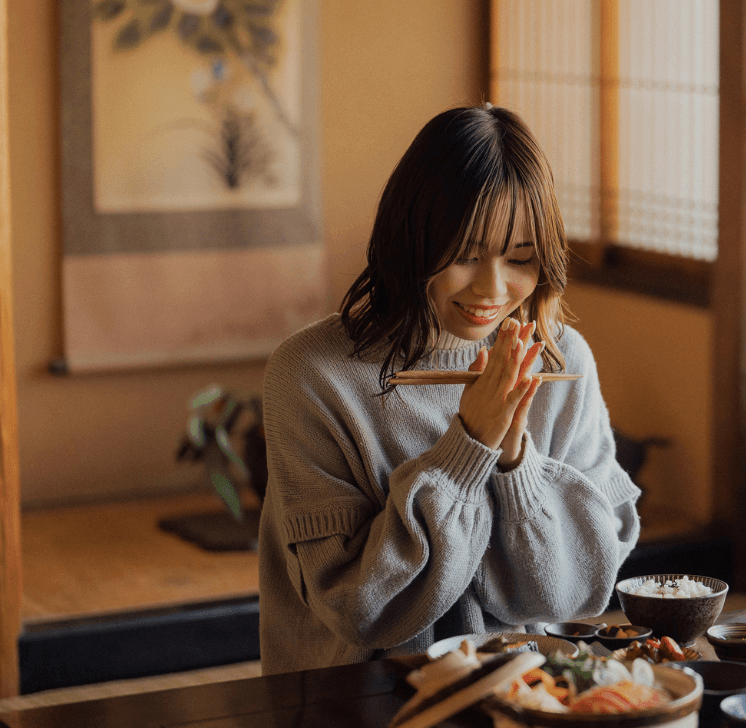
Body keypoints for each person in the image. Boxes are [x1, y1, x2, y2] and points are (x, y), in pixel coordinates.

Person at [257, 104, 640, 674]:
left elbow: (579, 591)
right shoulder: (313, 374)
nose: (492, 288)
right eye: (464, 254)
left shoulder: (561, 361)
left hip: (525, 694)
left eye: (520, 258)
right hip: (355, 705)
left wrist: (513, 461)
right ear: (410, 237)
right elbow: (358, 609)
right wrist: (470, 446)